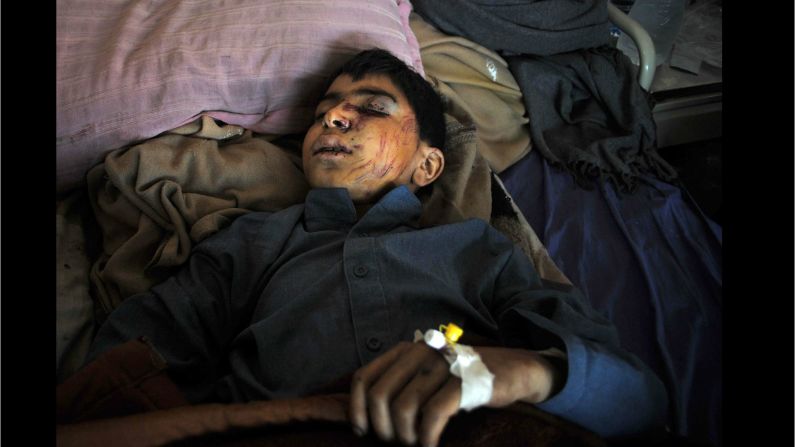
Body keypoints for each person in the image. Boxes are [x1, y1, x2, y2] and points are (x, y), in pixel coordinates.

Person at [85, 48, 667, 447]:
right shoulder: (251, 243)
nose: (334, 116)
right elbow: (119, 371)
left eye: (371, 108)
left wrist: (522, 372)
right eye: (321, 114)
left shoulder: (475, 250)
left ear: (429, 164)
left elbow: (639, 402)